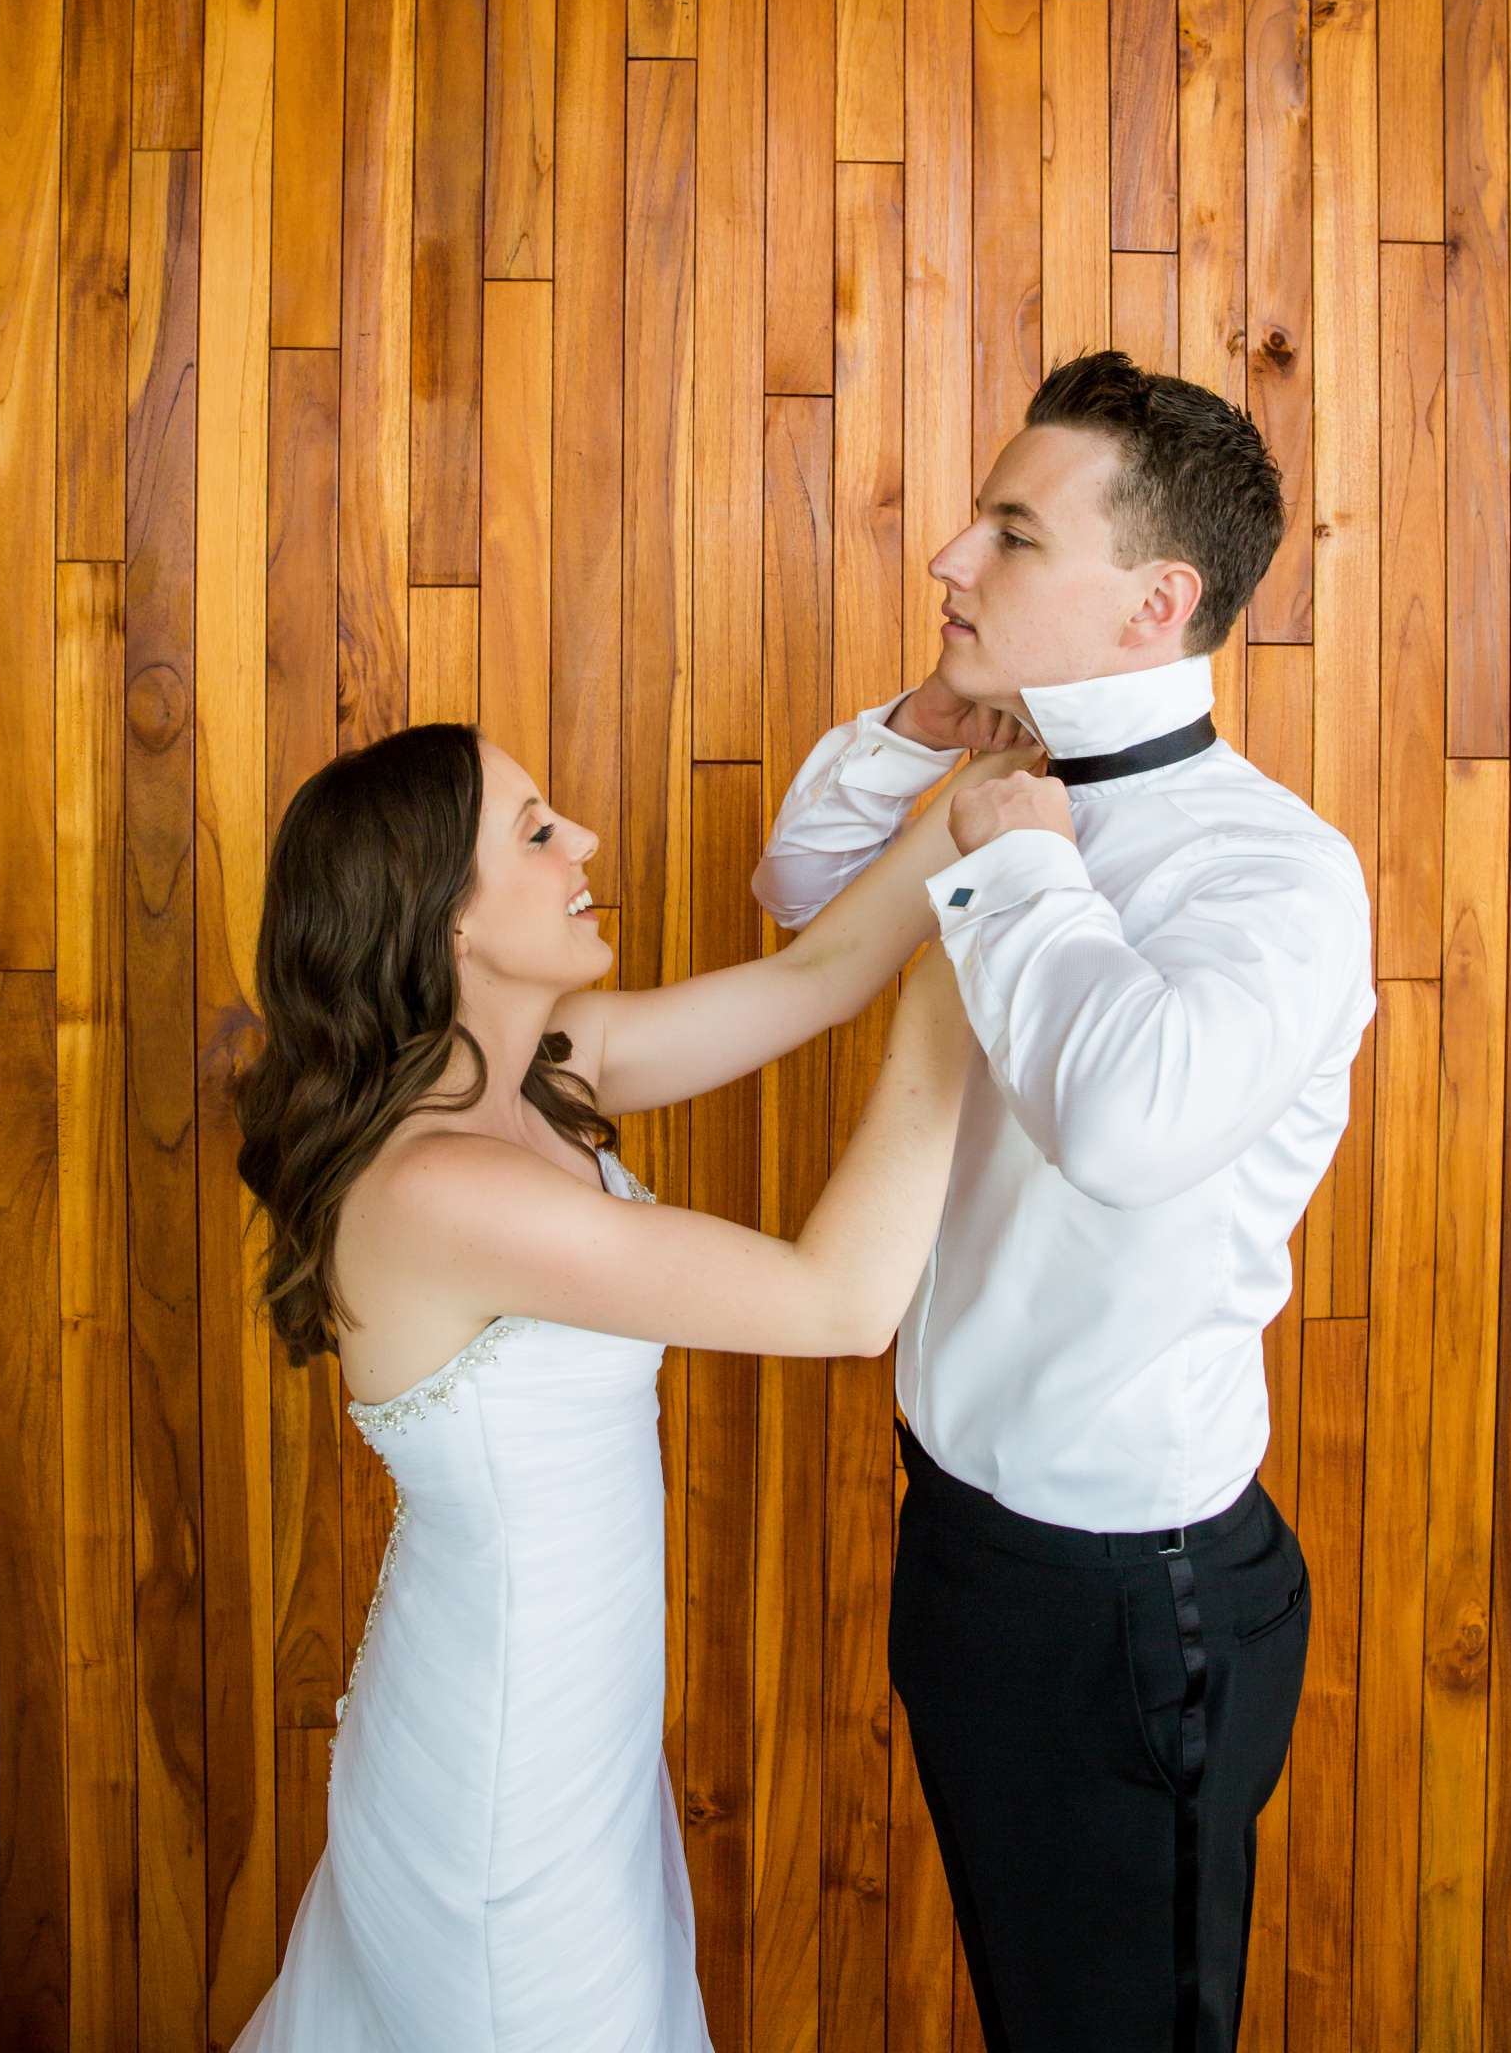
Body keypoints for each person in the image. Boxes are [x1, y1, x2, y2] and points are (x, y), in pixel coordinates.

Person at [228, 713, 1030, 2052]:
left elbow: (821, 975)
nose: (583, 839)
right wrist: (972, 972)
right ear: (448, 922)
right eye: (536, 832)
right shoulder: (441, 1190)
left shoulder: (540, 1075)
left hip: (571, 1719)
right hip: (506, 1766)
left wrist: (983, 794)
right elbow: (839, 1303)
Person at [753, 349, 1377, 2052]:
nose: (949, 560)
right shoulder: (996, 783)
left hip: (1131, 1598)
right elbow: (809, 888)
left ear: (1151, 602)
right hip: (960, 1535)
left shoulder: (1277, 874)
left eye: (1011, 536)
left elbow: (1126, 1116)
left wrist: (1018, 856)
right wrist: (935, 733)